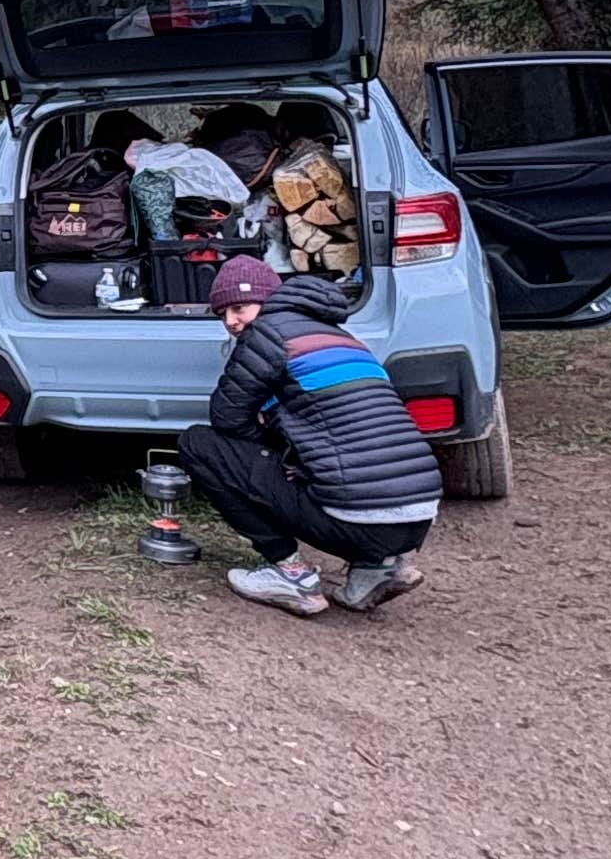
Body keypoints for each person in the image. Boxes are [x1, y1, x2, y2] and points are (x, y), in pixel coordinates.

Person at [183, 255, 440, 615]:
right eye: (222, 314)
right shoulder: (342, 337)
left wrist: (274, 456)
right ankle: (377, 569)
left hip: (361, 518)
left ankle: (290, 574)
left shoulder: (267, 334)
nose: (231, 322)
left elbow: (227, 418)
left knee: (199, 444)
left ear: (268, 301)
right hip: (418, 518)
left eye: (239, 307)